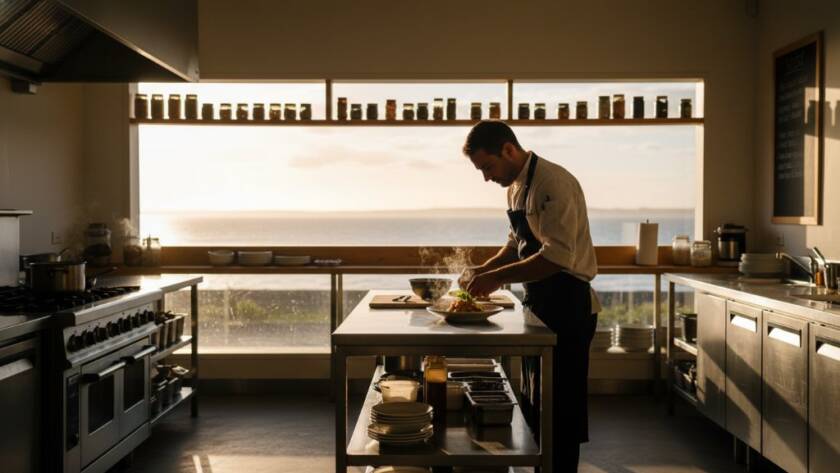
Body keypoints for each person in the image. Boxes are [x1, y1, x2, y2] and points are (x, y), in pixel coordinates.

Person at [459, 120, 600, 472]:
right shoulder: (514, 187)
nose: (486, 178)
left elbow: (556, 256)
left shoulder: (553, 183)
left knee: (561, 412)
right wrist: (483, 269)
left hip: (567, 306)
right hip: (538, 304)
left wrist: (495, 279)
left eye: (488, 167)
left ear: (508, 149)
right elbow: (517, 244)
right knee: (538, 404)